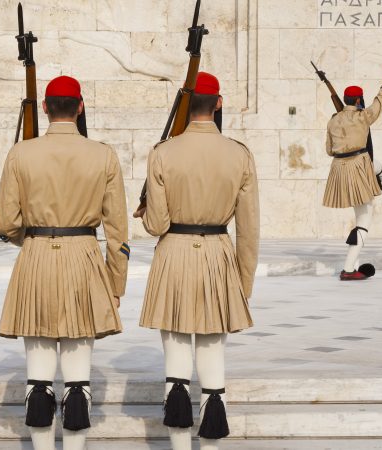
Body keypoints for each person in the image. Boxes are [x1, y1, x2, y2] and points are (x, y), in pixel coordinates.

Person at [0, 75, 129, 450]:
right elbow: (118, 231)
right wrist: (115, 285)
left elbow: (4, 222)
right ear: (81, 107)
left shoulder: (21, 153)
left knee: (37, 378)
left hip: (35, 256)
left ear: (45, 109)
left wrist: (33, 238)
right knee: (78, 378)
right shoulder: (104, 154)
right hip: (84, 258)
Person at [139, 72, 259, 450]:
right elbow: (249, 227)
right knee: (211, 349)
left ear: (186, 106)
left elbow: (156, 224)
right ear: (218, 104)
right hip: (218, 254)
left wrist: (145, 214)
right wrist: (244, 283)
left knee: (175, 353)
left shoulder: (163, 151)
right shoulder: (239, 154)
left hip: (174, 251)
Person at [323, 63, 382, 281]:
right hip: (359, 167)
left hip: (339, 170)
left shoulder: (333, 120)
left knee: (373, 165)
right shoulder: (363, 116)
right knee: (364, 221)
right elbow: (381, 98)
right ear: (358, 101)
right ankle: (349, 269)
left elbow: (329, 150)